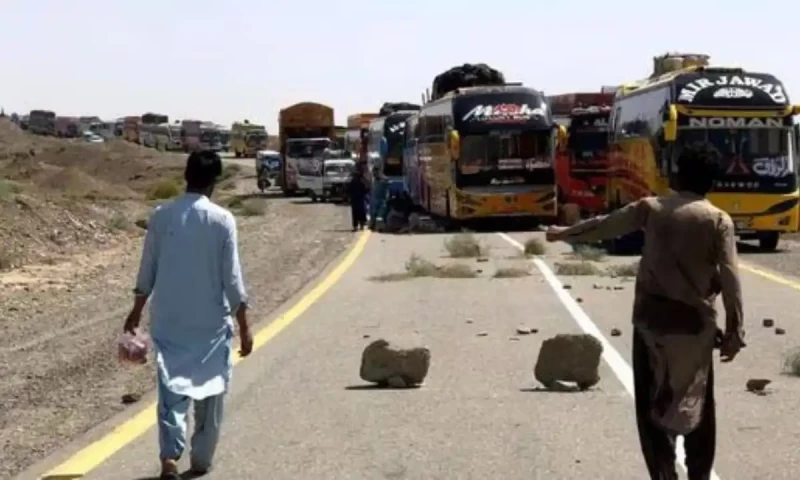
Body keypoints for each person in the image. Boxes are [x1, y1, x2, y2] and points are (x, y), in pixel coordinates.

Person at [545, 142, 745, 480]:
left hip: (651, 324)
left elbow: (604, 226)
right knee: (698, 403)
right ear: (711, 182)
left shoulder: (651, 208)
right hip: (695, 328)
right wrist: (735, 330)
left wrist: (562, 232)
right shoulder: (718, 221)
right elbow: (730, 278)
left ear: (677, 174)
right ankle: (698, 474)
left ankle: (663, 474)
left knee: (650, 407)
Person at [124, 150, 253, 479]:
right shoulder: (222, 220)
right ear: (214, 182)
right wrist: (245, 326)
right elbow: (232, 278)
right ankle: (200, 460)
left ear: (186, 176)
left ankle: (170, 455)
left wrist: (137, 310)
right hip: (209, 325)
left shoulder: (161, 216)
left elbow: (147, 267)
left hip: (169, 321)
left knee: (171, 389)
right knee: (211, 392)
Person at [347, 164, 369, 231]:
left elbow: (348, 190)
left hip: (356, 199)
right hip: (360, 199)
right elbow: (366, 189)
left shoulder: (353, 181)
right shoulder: (362, 181)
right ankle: (361, 225)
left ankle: (356, 226)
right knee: (361, 212)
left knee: (356, 213)